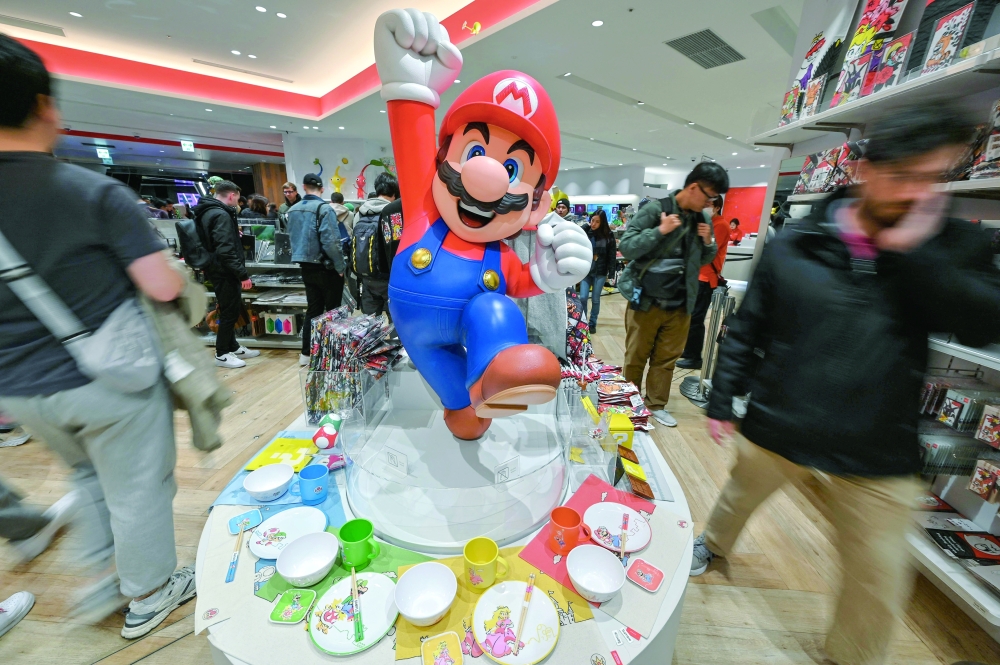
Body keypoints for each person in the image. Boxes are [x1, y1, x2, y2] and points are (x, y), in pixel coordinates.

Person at [691, 104, 1000, 665]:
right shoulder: (796, 245)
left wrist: (915, 253)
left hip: (876, 449)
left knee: (877, 582)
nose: (917, 193)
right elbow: (750, 326)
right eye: (904, 175)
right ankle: (712, 546)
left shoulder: (945, 242)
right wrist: (721, 397)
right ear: (863, 171)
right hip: (780, 422)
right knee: (739, 494)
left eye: (932, 178)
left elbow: (984, 322)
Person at [0, 35, 196, 639]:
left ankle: (98, 581)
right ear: (44, 106)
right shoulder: (92, 193)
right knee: (138, 485)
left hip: (22, 390)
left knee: (86, 478)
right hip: (107, 377)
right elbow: (160, 286)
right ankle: (147, 594)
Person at [617, 162, 724, 427]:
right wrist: (660, 231)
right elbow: (627, 247)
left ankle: (656, 404)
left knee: (666, 360)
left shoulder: (703, 219)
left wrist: (708, 242)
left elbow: (704, 259)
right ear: (693, 187)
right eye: (709, 196)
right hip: (646, 302)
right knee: (635, 356)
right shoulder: (656, 209)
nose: (710, 203)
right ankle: (629, 403)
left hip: (681, 304)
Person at [193, 180, 259, 368]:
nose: (238, 203)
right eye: (237, 199)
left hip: (216, 268)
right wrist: (242, 274)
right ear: (231, 195)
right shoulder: (220, 214)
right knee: (229, 312)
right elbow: (225, 250)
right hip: (224, 270)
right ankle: (222, 353)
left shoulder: (206, 211)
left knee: (229, 307)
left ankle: (232, 346)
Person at [287, 173, 345, 365]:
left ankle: (306, 353)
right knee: (333, 311)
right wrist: (340, 266)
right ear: (322, 189)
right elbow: (331, 242)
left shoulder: (293, 210)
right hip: (326, 267)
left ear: (303, 187)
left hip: (306, 267)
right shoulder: (324, 208)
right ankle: (332, 353)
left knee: (313, 309)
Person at [677, 197, 729, 370]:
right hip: (695, 276)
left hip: (706, 278)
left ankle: (694, 357)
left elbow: (707, 252)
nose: (704, 207)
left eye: (709, 205)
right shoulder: (707, 223)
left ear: (717, 207)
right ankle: (688, 351)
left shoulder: (720, 225)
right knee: (690, 317)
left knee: (696, 319)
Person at [351, 172, 399, 317]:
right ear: (394, 192)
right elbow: (397, 245)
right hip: (389, 278)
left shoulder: (360, 213)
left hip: (367, 276)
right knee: (395, 321)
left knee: (370, 323)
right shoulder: (393, 213)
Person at [579, 209, 617, 333]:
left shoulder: (608, 235)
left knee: (595, 299)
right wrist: (586, 224)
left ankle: (592, 323)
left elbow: (612, 255)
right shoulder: (587, 232)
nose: (593, 224)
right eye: (592, 220)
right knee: (583, 297)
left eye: (597, 222)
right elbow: (578, 232)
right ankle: (583, 321)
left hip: (600, 272)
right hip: (586, 271)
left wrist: (611, 273)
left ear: (603, 223)